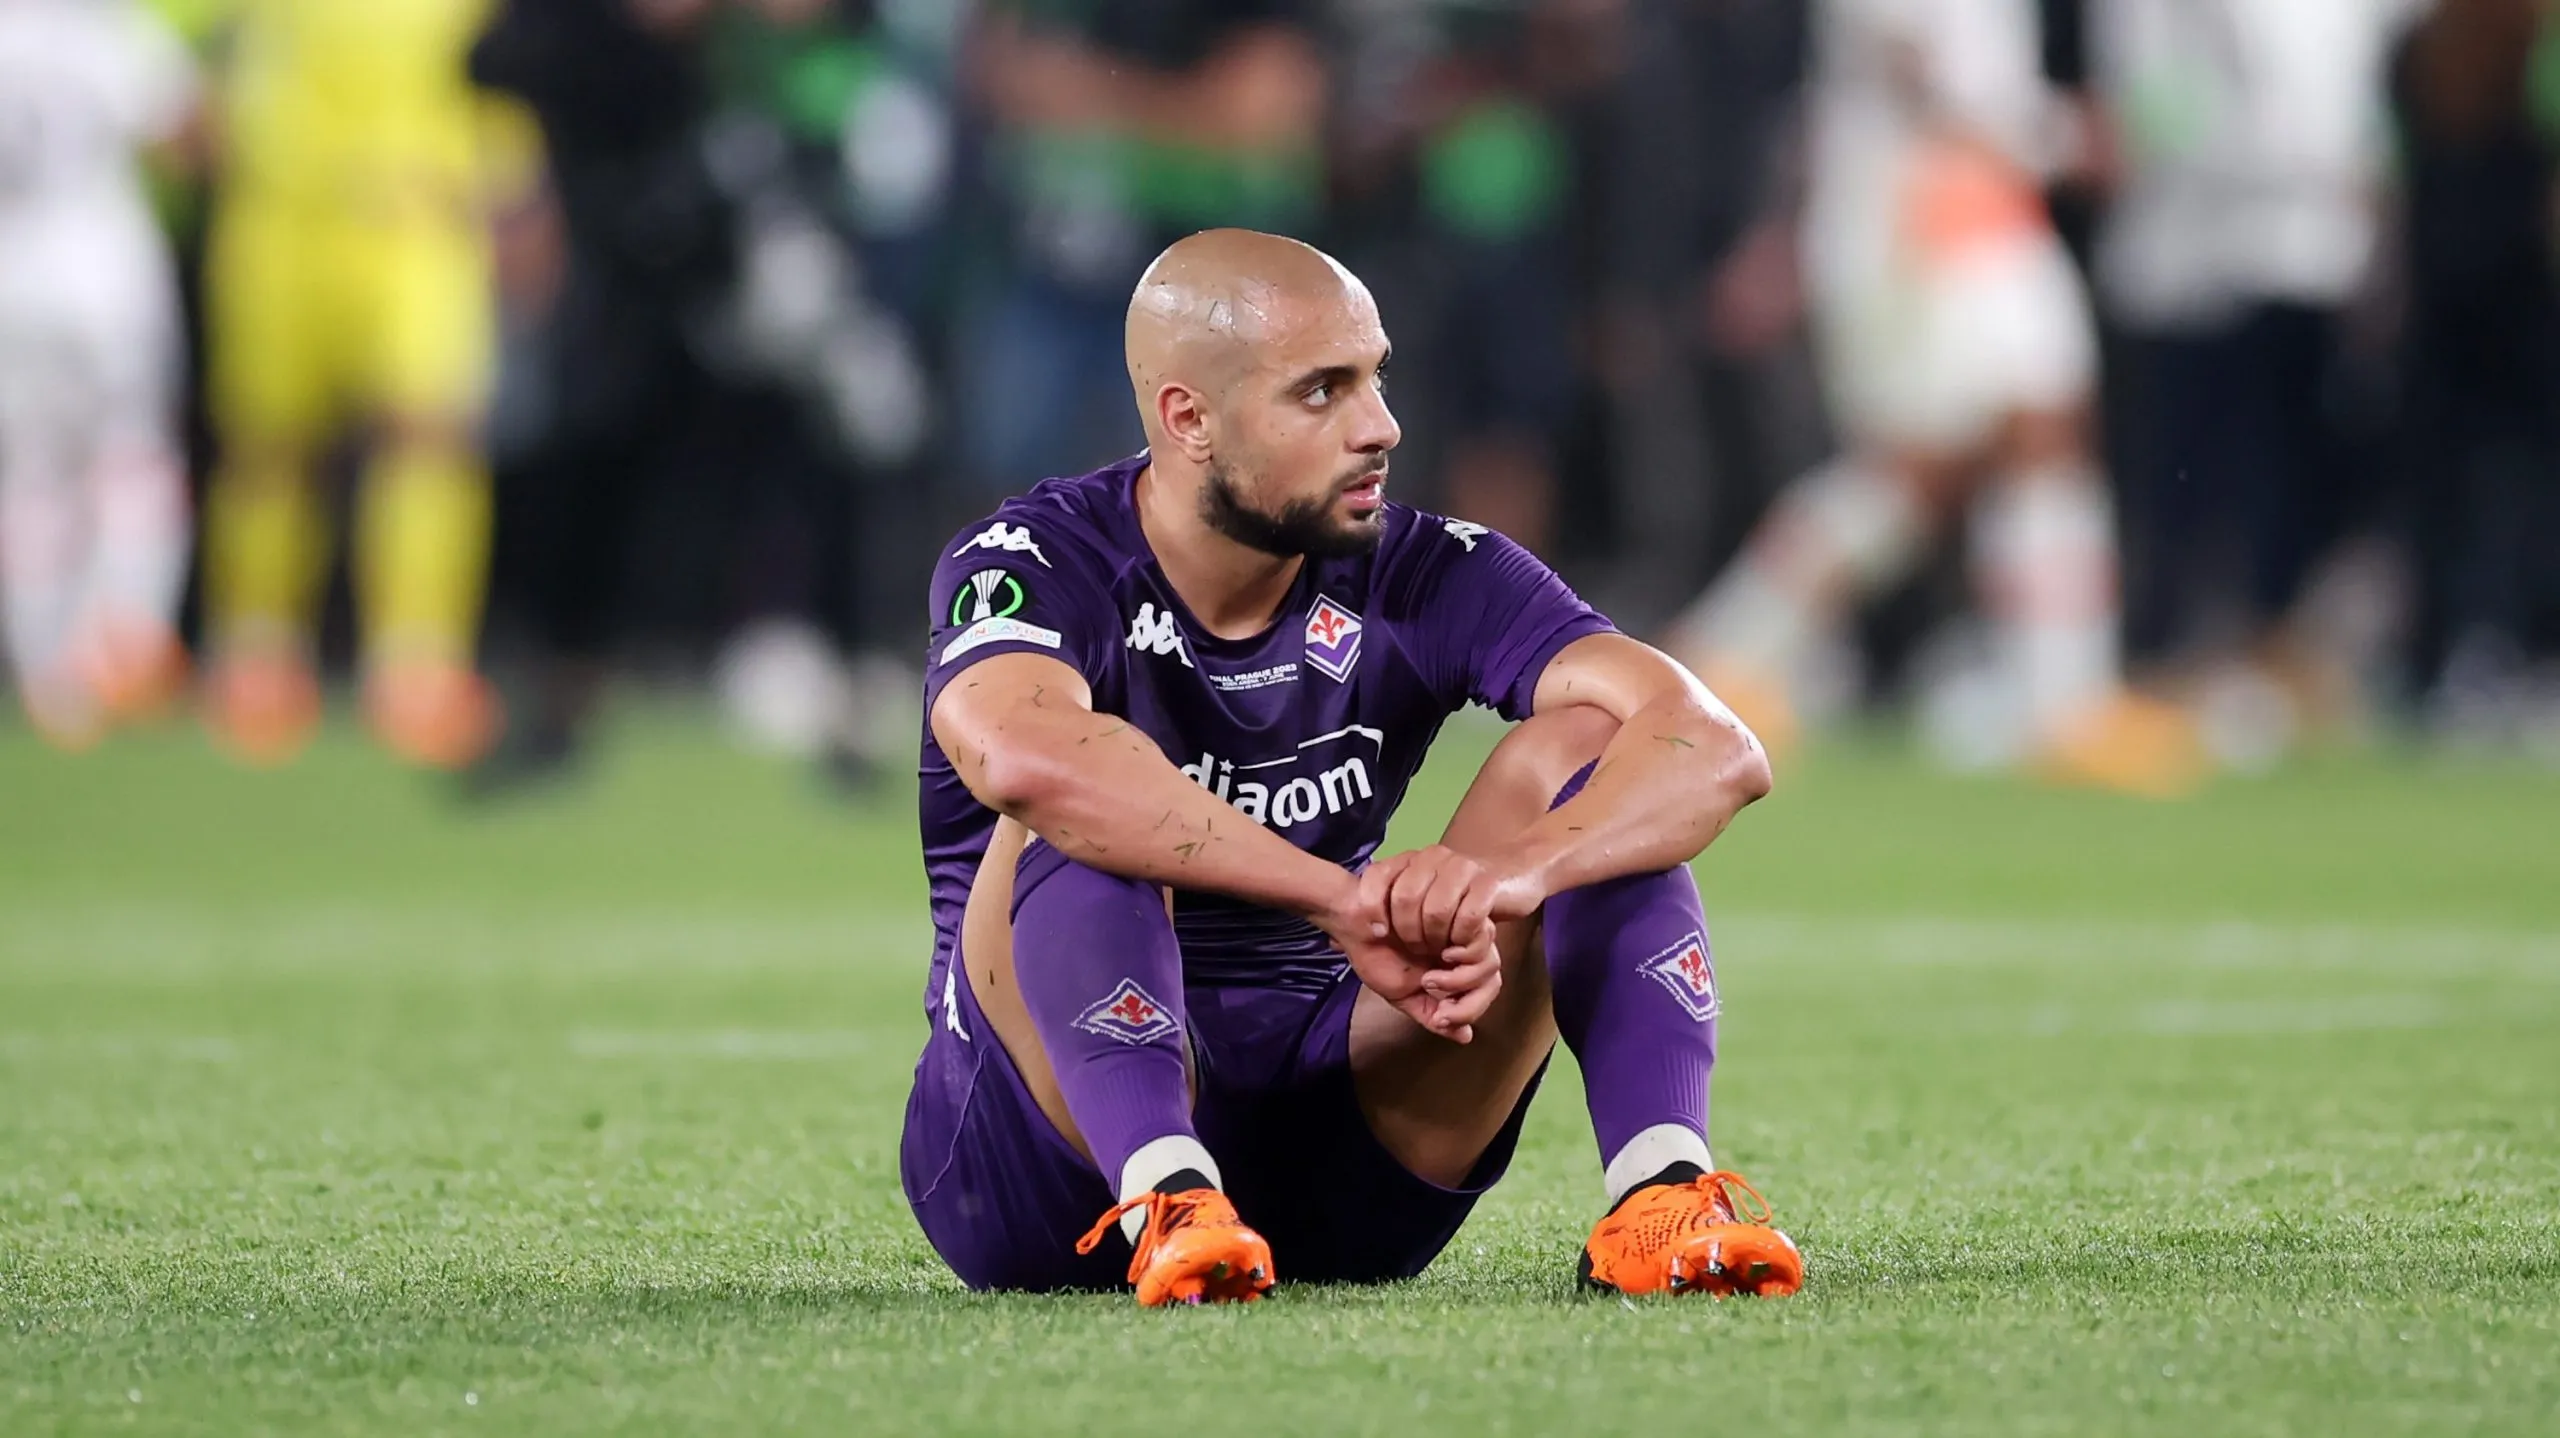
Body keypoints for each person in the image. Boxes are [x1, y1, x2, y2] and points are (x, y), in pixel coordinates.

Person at [901, 228, 1802, 1305]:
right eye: (1321, 392)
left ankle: (1660, 1189)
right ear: (1188, 418)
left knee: (1594, 749)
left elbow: (1712, 741)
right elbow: (1024, 755)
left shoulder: (1424, 566)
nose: (1380, 427)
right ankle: (1167, 1192)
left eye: (1374, 378)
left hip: (1343, 1146)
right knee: (1084, 786)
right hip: (1044, 1181)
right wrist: (1334, 896)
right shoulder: (1036, 562)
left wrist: (1516, 875)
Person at [1664, 0, 2201, 794]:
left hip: (1970, 213)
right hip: (1917, 221)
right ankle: (2064, 705)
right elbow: (1924, 68)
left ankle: (1721, 660)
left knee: (1956, 463)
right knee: (1983, 444)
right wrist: (2059, 135)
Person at [195, 0, 517, 769]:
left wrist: (508, 192)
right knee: (269, 449)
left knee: (432, 439)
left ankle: (417, 663)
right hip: (279, 222)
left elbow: (501, 74)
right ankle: (257, 654)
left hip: (419, 223)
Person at [0, 0, 197, 749]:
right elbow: (184, 135)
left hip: (11, 269)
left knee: (31, 475)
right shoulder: (108, 31)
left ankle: (47, 672)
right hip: (105, 270)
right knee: (132, 459)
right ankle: (124, 647)